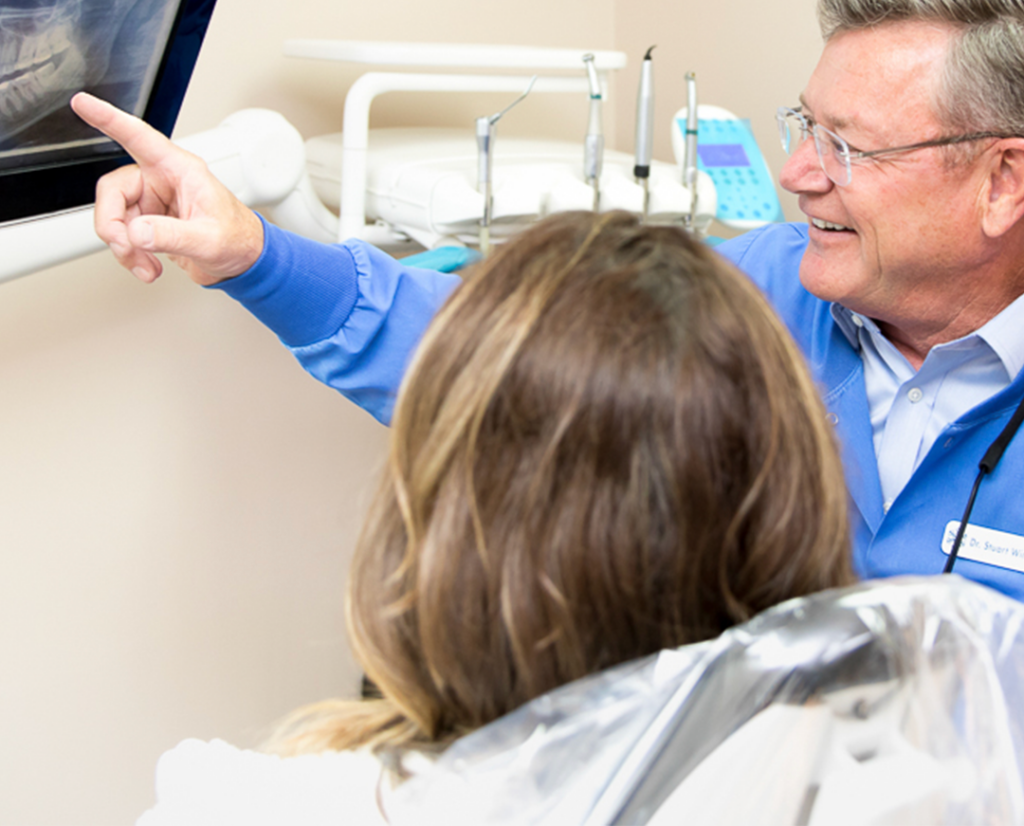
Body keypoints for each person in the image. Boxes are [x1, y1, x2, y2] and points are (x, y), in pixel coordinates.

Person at [74, 0, 1024, 601]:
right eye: (803, 127)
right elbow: (490, 347)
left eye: (847, 147)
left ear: (1001, 181)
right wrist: (254, 255)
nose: (797, 173)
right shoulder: (767, 292)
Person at [136, 210, 853, 822]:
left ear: (456, 517)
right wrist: (262, 260)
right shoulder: (880, 782)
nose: (806, 171)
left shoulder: (242, 803)